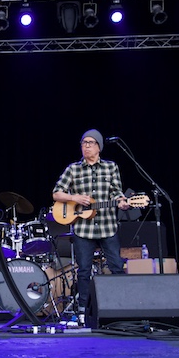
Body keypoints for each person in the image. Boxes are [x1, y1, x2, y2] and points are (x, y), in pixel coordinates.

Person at [52, 130, 131, 309]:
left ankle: (122, 306)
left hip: (107, 226)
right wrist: (75, 198)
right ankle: (83, 309)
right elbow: (56, 193)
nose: (86, 146)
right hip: (83, 229)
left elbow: (116, 192)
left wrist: (123, 202)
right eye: (84, 142)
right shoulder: (73, 169)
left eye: (91, 142)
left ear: (99, 147)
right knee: (84, 270)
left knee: (117, 267)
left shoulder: (111, 167)